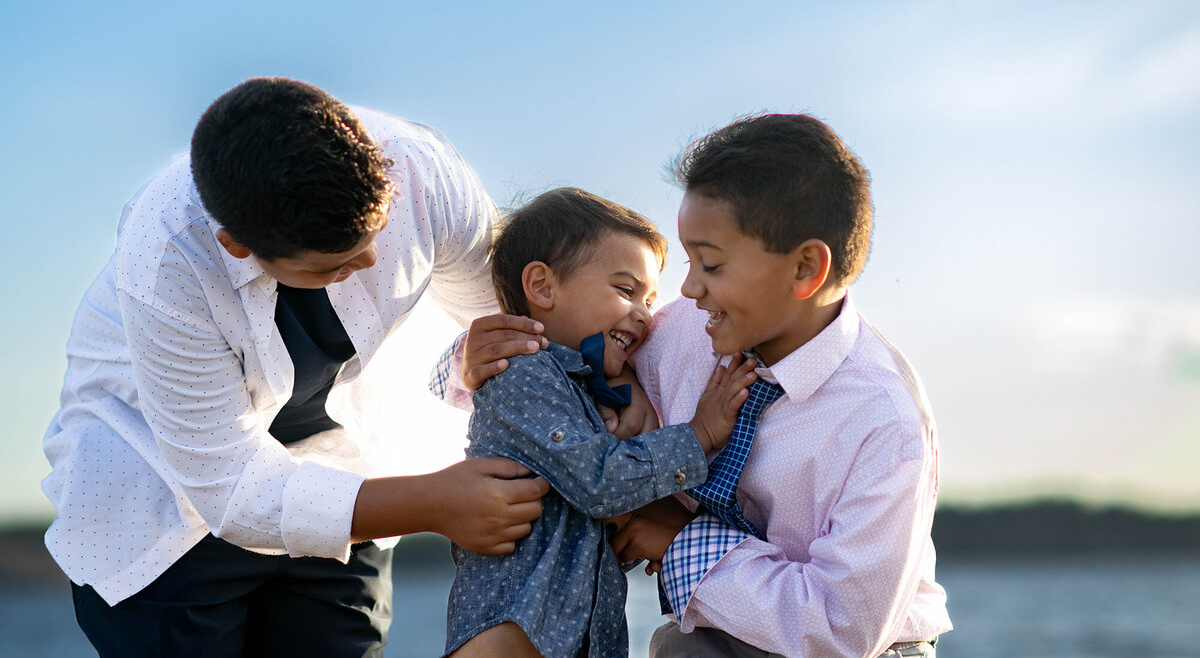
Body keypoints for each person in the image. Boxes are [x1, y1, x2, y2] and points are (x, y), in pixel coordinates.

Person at [42, 77, 551, 658]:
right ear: (237, 245)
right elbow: (233, 492)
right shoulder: (164, 261)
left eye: (377, 234)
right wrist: (437, 503)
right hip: (165, 504)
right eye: (333, 265)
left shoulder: (423, 171)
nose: (370, 263)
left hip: (352, 476)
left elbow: (521, 312)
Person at [448, 114, 953, 658]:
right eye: (689, 262)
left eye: (710, 265)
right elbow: (567, 349)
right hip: (711, 631)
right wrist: (475, 356)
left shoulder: (885, 422)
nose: (687, 288)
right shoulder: (684, 330)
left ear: (806, 268)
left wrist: (681, 540)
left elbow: (841, 630)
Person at [442, 187, 759, 658]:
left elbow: (582, 528)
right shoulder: (520, 374)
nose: (645, 315)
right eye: (626, 290)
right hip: (507, 637)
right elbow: (599, 482)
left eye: (650, 300)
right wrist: (700, 434)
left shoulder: (588, 393)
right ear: (543, 288)